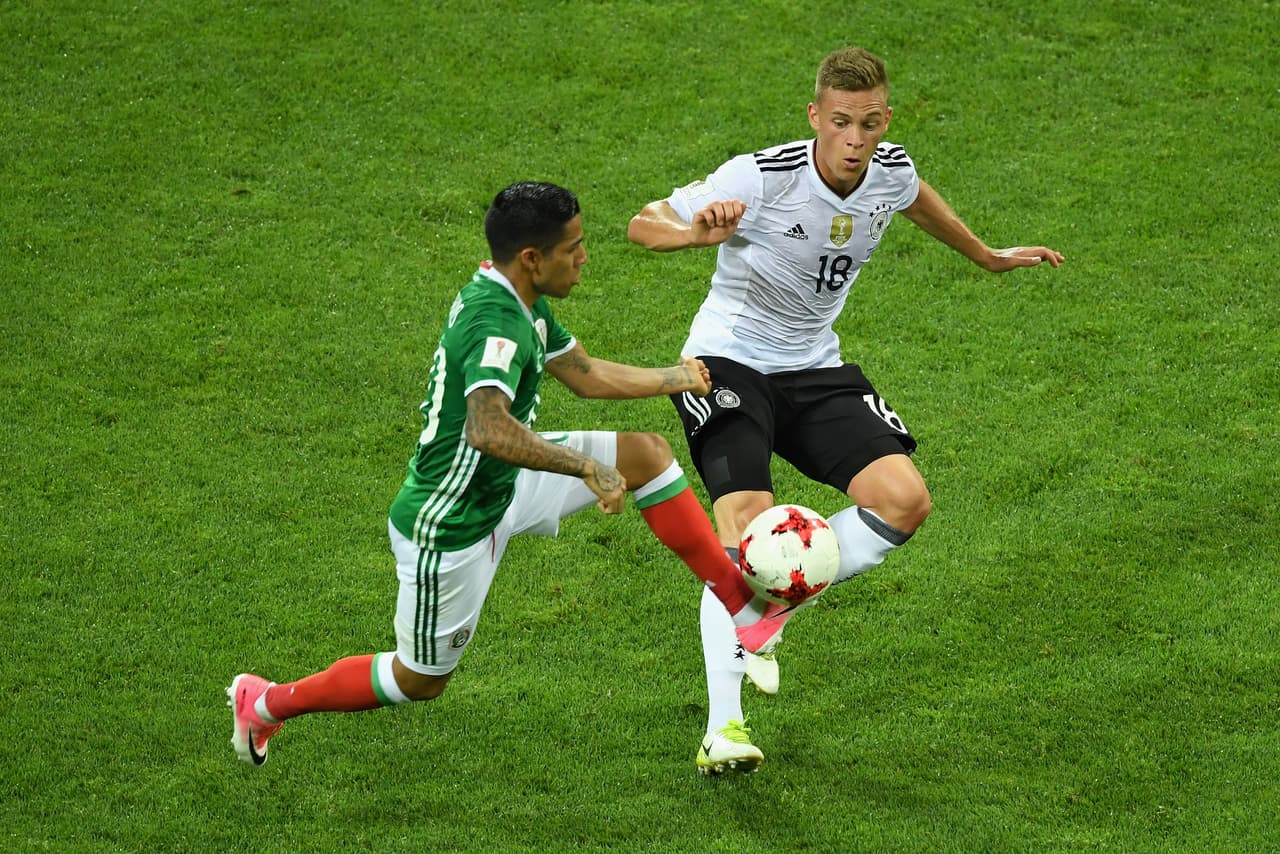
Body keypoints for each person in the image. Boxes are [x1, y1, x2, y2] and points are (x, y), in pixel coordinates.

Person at [227, 181, 792, 768]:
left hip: (506, 479)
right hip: (453, 521)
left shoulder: (522, 298)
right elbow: (488, 429)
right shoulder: (496, 323)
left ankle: (741, 607)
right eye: (572, 247)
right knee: (419, 679)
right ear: (532, 258)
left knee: (647, 455)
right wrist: (588, 470)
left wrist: (673, 378)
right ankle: (265, 702)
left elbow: (584, 374)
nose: (583, 258)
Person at [627, 47, 1064, 775]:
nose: (855, 139)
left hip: (815, 366)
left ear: (884, 118)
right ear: (814, 117)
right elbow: (644, 223)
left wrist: (985, 256)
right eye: (840, 123)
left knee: (904, 501)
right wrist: (693, 233)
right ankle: (723, 729)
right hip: (725, 361)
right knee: (744, 520)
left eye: (868, 123)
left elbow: (913, 194)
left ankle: (771, 602)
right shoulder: (759, 178)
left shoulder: (889, 168)